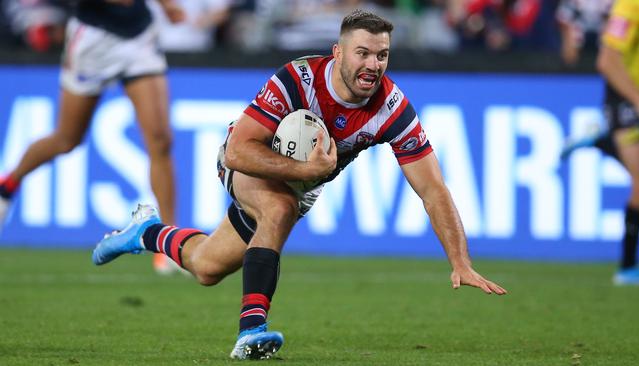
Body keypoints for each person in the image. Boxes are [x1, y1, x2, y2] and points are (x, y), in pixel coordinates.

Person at [91, 9, 508, 360]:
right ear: (338, 52)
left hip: (301, 184)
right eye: (362, 53)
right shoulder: (298, 79)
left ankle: (146, 233)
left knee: (206, 267)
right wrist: (307, 172)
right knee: (277, 209)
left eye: (382, 55)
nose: (373, 65)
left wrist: (460, 261)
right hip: (249, 160)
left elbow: (433, 189)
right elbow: (238, 150)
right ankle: (251, 330)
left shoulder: (392, 108)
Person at [0, 0, 184, 275]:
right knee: (67, 138)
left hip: (138, 35)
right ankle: (8, 185)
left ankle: (168, 245)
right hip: (94, 38)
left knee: (160, 139)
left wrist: (168, 5)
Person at [595, 0, 639, 285]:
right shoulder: (632, 5)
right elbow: (607, 60)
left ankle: (605, 142)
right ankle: (628, 267)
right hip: (628, 97)